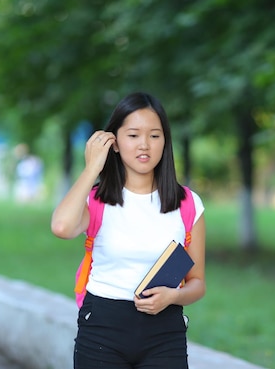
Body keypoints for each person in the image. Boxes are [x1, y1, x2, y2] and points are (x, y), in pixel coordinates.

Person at [51, 92, 206, 369]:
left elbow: (197, 283)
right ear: (116, 142)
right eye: (133, 135)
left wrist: (174, 296)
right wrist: (92, 168)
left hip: (165, 332)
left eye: (154, 136)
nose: (144, 145)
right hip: (102, 329)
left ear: (165, 141)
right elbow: (61, 227)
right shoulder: (96, 199)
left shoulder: (187, 204)